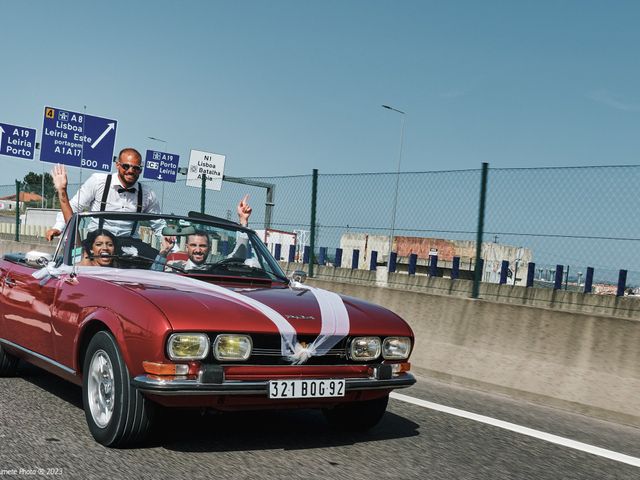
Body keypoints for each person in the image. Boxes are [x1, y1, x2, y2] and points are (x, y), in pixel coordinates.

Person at [46, 148, 163, 240]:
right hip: (97, 240)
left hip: (130, 243)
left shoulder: (147, 193)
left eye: (136, 168)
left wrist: (174, 249)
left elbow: (159, 224)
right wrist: (58, 227)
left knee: (152, 262)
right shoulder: (98, 181)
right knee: (81, 261)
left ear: (140, 170)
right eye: (126, 166)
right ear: (118, 165)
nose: (130, 171)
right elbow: (75, 207)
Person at [152, 196, 253, 271]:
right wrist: (164, 251)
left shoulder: (215, 269)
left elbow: (238, 256)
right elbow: (154, 277)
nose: (198, 250)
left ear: (209, 248)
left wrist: (243, 222)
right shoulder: (174, 267)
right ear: (187, 247)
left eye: (202, 246)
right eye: (193, 245)